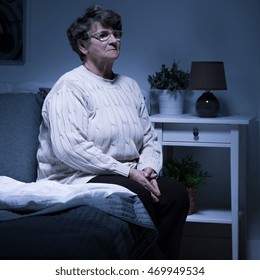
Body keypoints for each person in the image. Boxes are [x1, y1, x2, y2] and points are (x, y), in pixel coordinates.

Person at [36, 5, 189, 259]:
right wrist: (129, 172)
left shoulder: (129, 86)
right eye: (104, 35)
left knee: (175, 194)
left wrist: (149, 168)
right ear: (83, 46)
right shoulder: (70, 87)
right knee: (134, 192)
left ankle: (163, 266)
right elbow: (70, 148)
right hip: (76, 177)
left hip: (127, 174)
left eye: (117, 34)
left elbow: (149, 137)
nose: (115, 40)